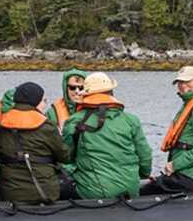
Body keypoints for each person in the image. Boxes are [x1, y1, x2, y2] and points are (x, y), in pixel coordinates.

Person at [59, 70, 153, 199]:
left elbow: (66, 158)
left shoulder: (74, 121)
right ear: (111, 93)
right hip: (130, 189)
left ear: (86, 94)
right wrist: (141, 176)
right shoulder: (131, 120)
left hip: (92, 192)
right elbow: (145, 157)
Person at [148, 65, 193, 194]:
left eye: (187, 81)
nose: (182, 85)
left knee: (142, 193)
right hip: (186, 174)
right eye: (180, 82)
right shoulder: (191, 104)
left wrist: (175, 165)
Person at [0, 81, 71, 203]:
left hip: (11, 192)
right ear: (36, 101)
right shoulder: (47, 127)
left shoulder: (1, 125)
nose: (45, 104)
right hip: (45, 191)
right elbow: (65, 157)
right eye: (43, 100)